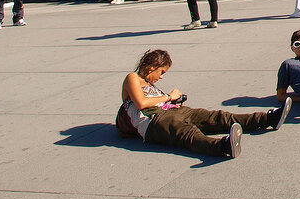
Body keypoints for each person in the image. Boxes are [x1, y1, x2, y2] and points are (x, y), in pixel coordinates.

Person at [121, 49, 290, 159]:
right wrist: (168, 97)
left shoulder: (149, 83)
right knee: (187, 133)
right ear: (152, 67)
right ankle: (223, 146)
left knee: (215, 117)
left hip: (171, 111)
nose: (162, 77)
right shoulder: (132, 78)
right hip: (153, 122)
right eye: (162, 72)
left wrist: (173, 100)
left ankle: (267, 119)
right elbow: (141, 103)